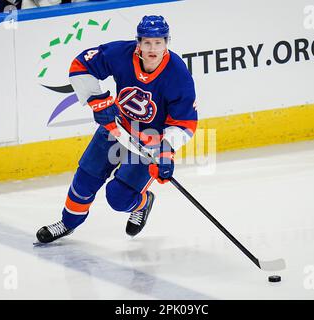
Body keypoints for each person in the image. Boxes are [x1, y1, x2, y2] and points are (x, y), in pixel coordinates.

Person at [36, 15, 198, 243]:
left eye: (158, 42)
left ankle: (143, 203)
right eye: (147, 42)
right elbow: (81, 64)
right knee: (85, 180)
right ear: (138, 43)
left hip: (147, 144)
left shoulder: (178, 74)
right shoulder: (121, 54)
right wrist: (98, 101)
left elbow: (184, 122)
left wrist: (165, 150)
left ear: (166, 42)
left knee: (119, 198)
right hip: (116, 128)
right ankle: (68, 223)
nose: (153, 48)